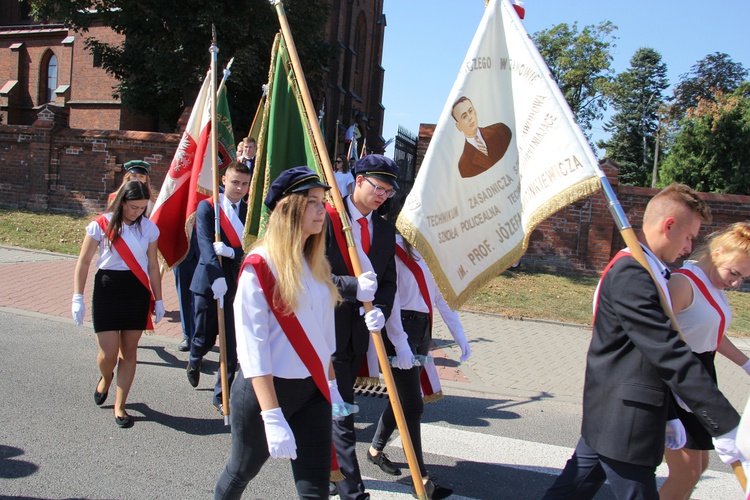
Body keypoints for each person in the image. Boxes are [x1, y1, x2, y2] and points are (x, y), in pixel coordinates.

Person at [542, 183, 741, 500]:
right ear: (669, 226)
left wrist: (672, 413)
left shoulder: (651, 272)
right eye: (689, 237)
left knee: (570, 492)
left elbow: (645, 354)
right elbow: (667, 350)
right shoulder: (633, 274)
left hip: (614, 411)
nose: (689, 248)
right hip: (624, 420)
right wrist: (726, 423)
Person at [213, 166, 343, 499]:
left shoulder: (315, 263)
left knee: (315, 486)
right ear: (288, 209)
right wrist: (271, 415)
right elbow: (252, 347)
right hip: (265, 391)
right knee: (241, 471)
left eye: (322, 201)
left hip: (312, 391)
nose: (322, 210)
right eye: (312, 201)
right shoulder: (260, 265)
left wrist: (331, 386)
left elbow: (323, 338)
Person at [367, 232, 471, 499]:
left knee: (402, 398)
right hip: (400, 328)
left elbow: (439, 297)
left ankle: (375, 450)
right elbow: (392, 300)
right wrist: (400, 343)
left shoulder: (433, 251)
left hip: (423, 329)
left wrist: (459, 335)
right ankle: (420, 478)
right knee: (413, 404)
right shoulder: (396, 250)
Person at [325, 154, 399, 500]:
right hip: (324, 330)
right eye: (378, 188)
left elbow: (387, 281)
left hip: (358, 334)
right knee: (341, 416)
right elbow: (312, 274)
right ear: (358, 182)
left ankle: (327, 469)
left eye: (388, 192)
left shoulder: (384, 229)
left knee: (333, 409)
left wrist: (381, 310)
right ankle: (352, 493)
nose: (382, 196)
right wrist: (354, 287)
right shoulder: (328, 217)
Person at [659, 221, 750, 499]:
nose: (735, 283)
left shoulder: (716, 284)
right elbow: (658, 337)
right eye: (734, 273)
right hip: (679, 376)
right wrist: (677, 392)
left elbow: (713, 334)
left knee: (698, 468)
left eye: (743, 279)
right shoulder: (684, 283)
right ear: (718, 252)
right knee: (686, 471)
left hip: (702, 374)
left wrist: (746, 364)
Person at [72, 180, 164, 428]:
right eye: (133, 207)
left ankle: (120, 405)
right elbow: (83, 262)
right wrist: (77, 296)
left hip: (136, 291)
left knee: (129, 351)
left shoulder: (149, 228)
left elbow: (153, 265)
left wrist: (159, 298)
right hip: (107, 289)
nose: (137, 213)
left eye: (142, 208)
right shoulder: (101, 224)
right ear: (122, 201)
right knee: (108, 354)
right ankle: (105, 376)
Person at [186, 161, 251, 413]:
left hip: (236, 284)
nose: (240, 188)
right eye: (235, 182)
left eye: (245, 184)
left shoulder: (247, 211)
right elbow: (204, 243)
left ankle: (221, 394)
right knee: (204, 336)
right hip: (208, 281)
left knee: (231, 343)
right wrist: (216, 277)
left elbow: (252, 246)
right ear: (224, 180)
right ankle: (194, 359)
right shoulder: (209, 207)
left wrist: (233, 252)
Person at [451, 96, 512, 179]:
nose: (470, 117)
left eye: (470, 111)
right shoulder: (464, 166)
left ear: (475, 112)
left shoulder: (500, 131)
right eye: (464, 116)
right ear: (459, 126)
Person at [174, 230, 199, 352]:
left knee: (204, 300)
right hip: (181, 251)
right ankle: (188, 334)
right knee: (184, 296)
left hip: (206, 252)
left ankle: (202, 337)